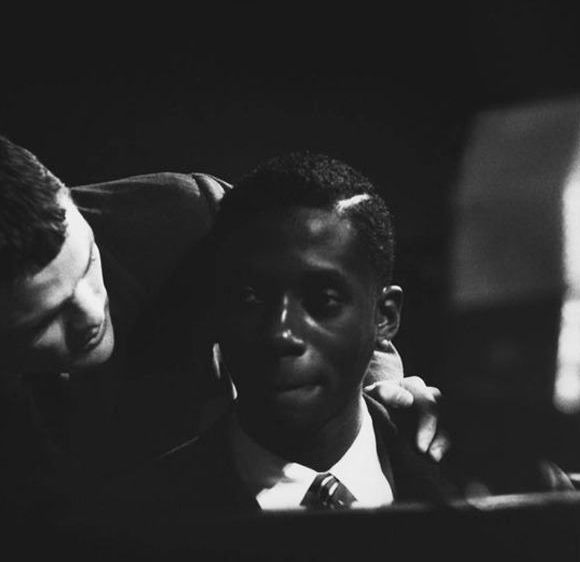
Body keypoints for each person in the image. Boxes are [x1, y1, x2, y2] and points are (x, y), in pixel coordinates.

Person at [0, 132, 444, 529]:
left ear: (68, 198)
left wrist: (379, 387)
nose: (89, 312)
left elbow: (326, 278)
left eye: (86, 266)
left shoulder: (188, 213)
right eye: (44, 320)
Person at [104, 152, 455, 518]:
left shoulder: (467, 481)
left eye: (323, 301)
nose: (281, 333)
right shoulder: (129, 523)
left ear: (385, 317)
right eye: (249, 298)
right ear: (217, 308)